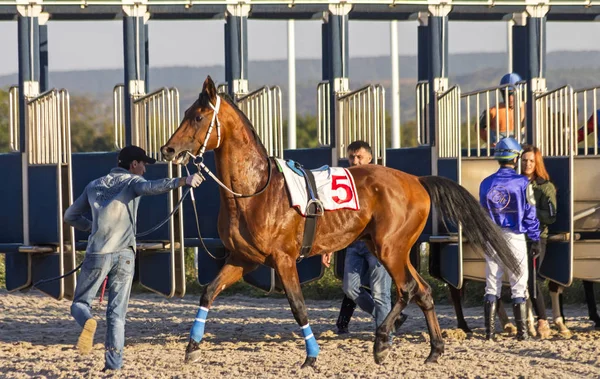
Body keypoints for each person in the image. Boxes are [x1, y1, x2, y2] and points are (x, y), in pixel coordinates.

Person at [64, 145, 204, 371]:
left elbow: (69, 216)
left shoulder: (93, 185)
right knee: (116, 315)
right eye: (144, 165)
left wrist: (91, 228)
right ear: (134, 164)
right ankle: (113, 366)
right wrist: (183, 181)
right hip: (125, 256)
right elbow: (151, 187)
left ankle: (88, 321)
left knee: (80, 303)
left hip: (97, 254)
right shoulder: (132, 182)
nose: (145, 170)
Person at [321, 141, 405, 335]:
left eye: (359, 156)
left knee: (380, 293)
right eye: (351, 157)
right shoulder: (343, 185)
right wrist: (329, 247)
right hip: (355, 245)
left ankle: (385, 336)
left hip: (377, 246)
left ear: (370, 158)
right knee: (350, 288)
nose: (354, 161)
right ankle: (390, 318)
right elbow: (336, 218)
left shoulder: (381, 182)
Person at [479, 137, 541, 341]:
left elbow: (482, 213)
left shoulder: (485, 183)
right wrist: (535, 237)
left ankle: (489, 333)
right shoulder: (523, 183)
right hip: (515, 235)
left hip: (491, 236)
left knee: (491, 284)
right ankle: (522, 333)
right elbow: (530, 213)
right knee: (518, 284)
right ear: (515, 158)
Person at [521, 144, 555, 339]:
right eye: (524, 160)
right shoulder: (516, 183)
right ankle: (522, 322)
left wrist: (530, 212)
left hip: (537, 237)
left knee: (532, 281)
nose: (527, 164)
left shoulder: (545, 186)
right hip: (517, 237)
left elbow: (551, 216)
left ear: (537, 163)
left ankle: (542, 319)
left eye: (531, 161)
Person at [479, 73, 526, 147]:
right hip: (500, 151)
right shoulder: (492, 111)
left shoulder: (528, 109)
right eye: (506, 94)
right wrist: (490, 142)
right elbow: (479, 127)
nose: (510, 98)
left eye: (513, 94)